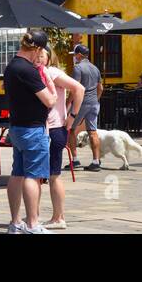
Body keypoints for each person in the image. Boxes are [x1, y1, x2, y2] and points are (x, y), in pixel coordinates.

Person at [3, 30, 57, 234]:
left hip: (16, 127)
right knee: (33, 176)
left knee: (17, 173)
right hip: (33, 129)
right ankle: (33, 224)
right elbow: (50, 100)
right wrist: (50, 85)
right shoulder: (28, 70)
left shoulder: (11, 67)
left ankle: (15, 223)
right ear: (38, 49)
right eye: (41, 51)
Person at [35, 46, 84, 230]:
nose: (38, 58)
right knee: (44, 176)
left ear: (49, 57)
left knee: (52, 175)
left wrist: (72, 116)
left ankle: (57, 217)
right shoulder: (38, 73)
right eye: (36, 55)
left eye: (42, 55)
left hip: (54, 129)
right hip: (46, 129)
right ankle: (43, 216)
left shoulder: (52, 72)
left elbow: (79, 88)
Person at [70, 44, 104, 171]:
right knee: (93, 132)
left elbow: (75, 88)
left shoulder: (78, 68)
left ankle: (75, 160)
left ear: (79, 55)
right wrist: (96, 99)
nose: (74, 57)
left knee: (71, 129)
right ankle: (95, 161)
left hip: (81, 103)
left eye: (74, 55)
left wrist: (69, 103)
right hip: (94, 103)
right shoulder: (95, 68)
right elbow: (100, 88)